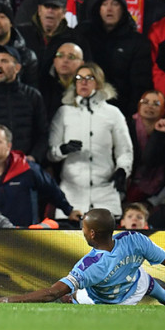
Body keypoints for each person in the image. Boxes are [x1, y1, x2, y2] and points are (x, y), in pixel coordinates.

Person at [0, 208, 165, 304]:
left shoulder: (89, 265)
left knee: (68, 298)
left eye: (82, 227)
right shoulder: (134, 239)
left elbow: (51, 293)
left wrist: (9, 299)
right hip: (137, 283)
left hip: (109, 302)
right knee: (149, 283)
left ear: (91, 233)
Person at [47, 61, 133, 218]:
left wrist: (122, 170)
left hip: (105, 194)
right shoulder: (64, 112)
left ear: (99, 83)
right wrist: (63, 149)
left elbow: (125, 150)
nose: (83, 82)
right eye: (79, 78)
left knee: (107, 241)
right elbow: (51, 152)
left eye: (89, 77)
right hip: (71, 196)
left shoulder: (113, 113)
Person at [0, 124, 79, 227]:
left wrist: (69, 210)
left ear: (8, 146)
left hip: (24, 238)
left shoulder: (28, 169)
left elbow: (52, 190)